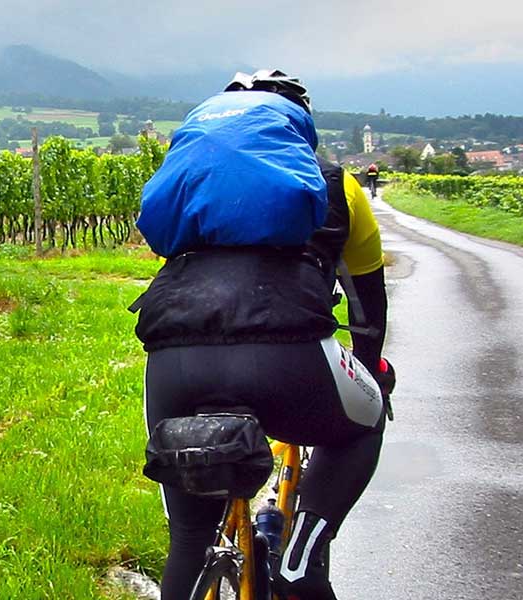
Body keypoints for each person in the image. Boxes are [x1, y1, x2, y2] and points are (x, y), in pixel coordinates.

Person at [131, 70, 393, 600]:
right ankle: (301, 557)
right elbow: (367, 310)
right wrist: (372, 369)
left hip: (176, 363)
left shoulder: (192, 185)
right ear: (298, 124)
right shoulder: (335, 184)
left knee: (188, 538)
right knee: (365, 423)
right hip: (290, 357)